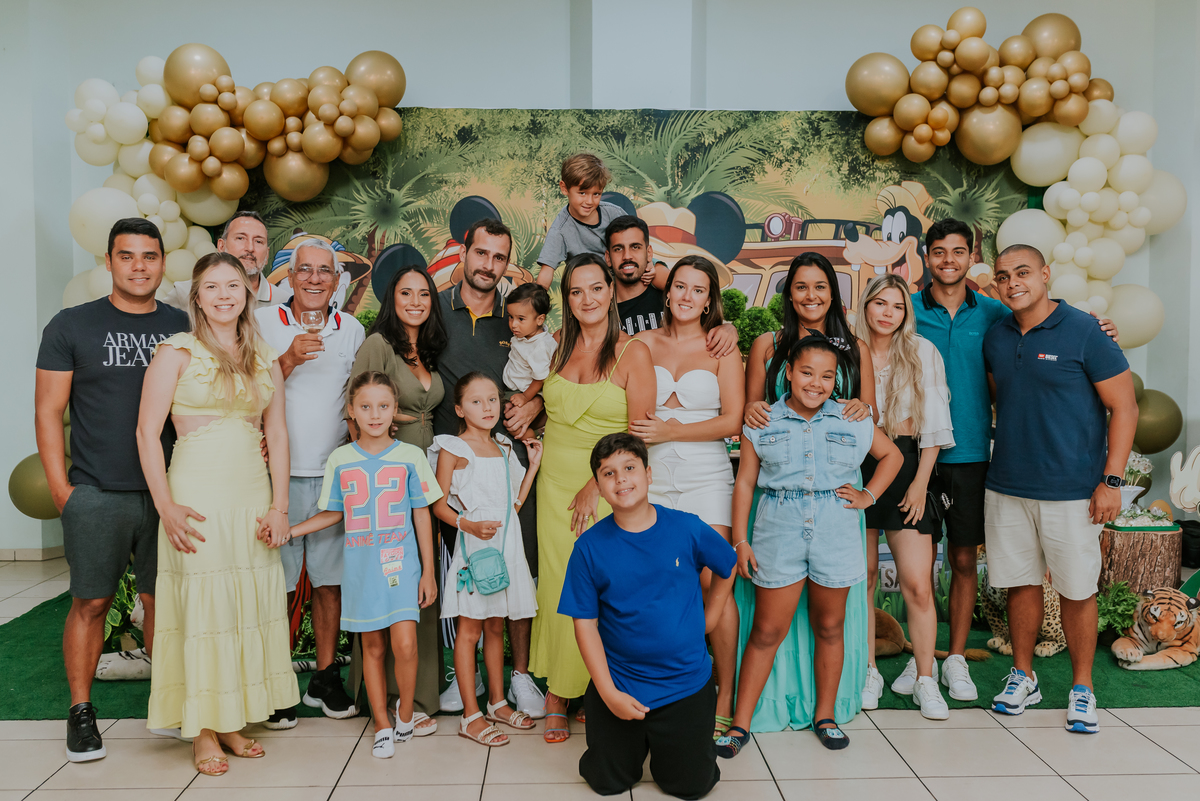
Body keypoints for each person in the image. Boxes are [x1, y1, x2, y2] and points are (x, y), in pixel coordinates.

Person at [911, 219, 1120, 703]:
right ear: (926, 257)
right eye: (938, 251)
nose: (948, 260)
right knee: (938, 571)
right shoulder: (917, 313)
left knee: (976, 562)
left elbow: (1117, 400)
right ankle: (951, 669)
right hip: (934, 460)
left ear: (971, 258)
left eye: (958, 251)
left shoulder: (997, 313)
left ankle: (968, 662)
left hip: (984, 459)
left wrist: (1099, 329)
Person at [137, 252, 297, 776]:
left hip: (251, 495)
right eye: (213, 286)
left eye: (234, 284)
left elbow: (276, 432)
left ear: (248, 291)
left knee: (241, 608)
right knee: (203, 608)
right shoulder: (175, 353)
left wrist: (279, 505)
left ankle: (230, 719)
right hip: (197, 493)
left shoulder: (264, 355)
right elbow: (146, 433)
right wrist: (166, 505)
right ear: (197, 296)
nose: (225, 294)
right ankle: (202, 729)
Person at [35, 218, 189, 762]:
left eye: (149, 256)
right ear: (109, 262)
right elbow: (48, 412)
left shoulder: (180, 325)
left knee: (162, 604)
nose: (139, 266)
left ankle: (168, 705)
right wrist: (62, 488)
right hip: (97, 490)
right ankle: (81, 713)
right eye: (128, 256)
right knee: (91, 601)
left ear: (162, 263)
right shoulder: (72, 325)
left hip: (168, 491)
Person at [722, 337, 902, 755]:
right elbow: (745, 482)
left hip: (835, 531)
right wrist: (740, 540)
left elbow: (891, 456)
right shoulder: (762, 420)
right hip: (778, 530)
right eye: (807, 372)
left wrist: (868, 496)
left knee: (830, 626)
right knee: (767, 631)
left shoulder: (851, 417)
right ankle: (740, 723)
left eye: (827, 375)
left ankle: (825, 715)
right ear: (788, 371)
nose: (816, 383)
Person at [984, 244, 1137, 733]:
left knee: (1076, 589)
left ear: (1046, 275)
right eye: (1003, 277)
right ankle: (1023, 676)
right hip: (1007, 484)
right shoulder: (996, 335)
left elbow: (1126, 408)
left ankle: (1082, 688)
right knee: (1020, 583)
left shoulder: (1086, 330)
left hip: (1072, 489)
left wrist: (1111, 481)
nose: (1012, 283)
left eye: (1023, 273)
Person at [737, 252, 875, 733]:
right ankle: (753, 713)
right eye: (801, 286)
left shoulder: (855, 347)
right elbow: (753, 410)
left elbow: (867, 418)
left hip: (833, 499)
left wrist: (858, 405)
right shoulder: (766, 344)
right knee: (769, 619)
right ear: (788, 293)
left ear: (833, 293)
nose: (811, 295)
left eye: (820, 286)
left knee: (828, 621)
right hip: (778, 497)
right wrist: (752, 412)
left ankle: (825, 710)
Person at [560, 433, 735, 798]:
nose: (621, 479)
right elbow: (585, 626)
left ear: (649, 474)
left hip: (685, 684)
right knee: (609, 782)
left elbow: (727, 564)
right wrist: (608, 694)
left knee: (690, 786)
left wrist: (712, 615)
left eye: (629, 468)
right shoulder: (588, 548)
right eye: (608, 474)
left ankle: (672, 746)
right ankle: (625, 741)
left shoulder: (686, 527)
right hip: (621, 682)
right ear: (599, 487)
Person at [531, 252, 656, 743]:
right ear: (567, 299)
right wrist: (528, 408)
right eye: (575, 291)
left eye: (595, 288)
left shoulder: (634, 353)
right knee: (559, 586)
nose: (587, 299)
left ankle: (595, 688)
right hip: (553, 483)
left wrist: (595, 483)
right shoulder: (558, 346)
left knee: (604, 590)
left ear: (610, 291)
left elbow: (638, 434)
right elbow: (551, 404)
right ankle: (559, 692)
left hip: (607, 485)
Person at [286, 371, 442, 758]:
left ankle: (405, 712)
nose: (375, 414)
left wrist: (428, 571)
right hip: (360, 569)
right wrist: (293, 530)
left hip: (401, 566)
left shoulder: (411, 457)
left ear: (395, 411)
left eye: (384, 406)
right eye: (366, 407)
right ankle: (382, 724)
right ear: (351, 412)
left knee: (404, 644)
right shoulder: (341, 459)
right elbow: (332, 513)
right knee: (371, 646)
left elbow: (422, 514)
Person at [435, 218, 546, 719]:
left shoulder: (519, 314)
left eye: (499, 258)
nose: (489, 266)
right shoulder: (434, 310)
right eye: (482, 254)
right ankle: (470, 676)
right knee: (466, 573)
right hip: (455, 466)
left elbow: (548, 374)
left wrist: (534, 408)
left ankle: (519, 675)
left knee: (514, 562)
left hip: (510, 461)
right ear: (465, 252)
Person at [631, 255, 744, 739]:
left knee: (711, 578)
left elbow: (733, 421)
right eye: (680, 286)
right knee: (658, 582)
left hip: (706, 475)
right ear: (668, 289)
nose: (687, 296)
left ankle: (726, 694)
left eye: (699, 290)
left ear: (709, 299)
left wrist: (676, 427)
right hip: (653, 477)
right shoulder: (640, 344)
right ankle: (671, 688)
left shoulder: (723, 348)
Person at [255, 238, 364, 729]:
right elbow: (246, 391)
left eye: (326, 271)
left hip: (330, 476)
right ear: (290, 277)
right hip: (272, 476)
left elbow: (357, 400)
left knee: (329, 584)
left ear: (338, 281)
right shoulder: (262, 324)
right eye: (306, 270)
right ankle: (277, 682)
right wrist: (289, 359)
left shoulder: (353, 330)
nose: (316, 279)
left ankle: (324, 677)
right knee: (275, 585)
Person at [348, 263, 447, 732]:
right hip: (386, 484)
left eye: (423, 294)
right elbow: (355, 410)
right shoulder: (378, 345)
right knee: (384, 585)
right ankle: (383, 700)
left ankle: (419, 694)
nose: (415, 301)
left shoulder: (424, 351)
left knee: (418, 586)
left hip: (424, 479)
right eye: (406, 293)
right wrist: (392, 432)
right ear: (392, 299)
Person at [854, 274, 954, 718]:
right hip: (853, 465)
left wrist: (919, 483)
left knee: (917, 583)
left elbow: (934, 424)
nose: (887, 313)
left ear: (905, 312)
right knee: (863, 580)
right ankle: (867, 670)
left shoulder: (921, 351)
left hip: (907, 464)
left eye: (896, 305)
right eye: (879, 303)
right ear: (866, 306)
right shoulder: (848, 349)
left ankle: (926, 678)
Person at [430, 373, 543, 746]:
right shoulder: (452, 448)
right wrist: (469, 525)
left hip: (505, 548)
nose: (487, 407)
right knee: (470, 631)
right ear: (460, 409)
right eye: (476, 402)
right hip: (475, 549)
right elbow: (438, 503)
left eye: (493, 399)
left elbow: (513, 503)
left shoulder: (504, 447)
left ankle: (497, 702)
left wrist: (535, 465)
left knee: (496, 625)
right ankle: (470, 714)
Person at [535, 153, 628, 289]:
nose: (589, 201)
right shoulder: (560, 230)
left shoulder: (614, 213)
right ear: (564, 188)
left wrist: (649, 265)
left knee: (656, 268)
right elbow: (546, 271)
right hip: (588, 288)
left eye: (596, 194)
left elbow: (637, 241)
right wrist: (537, 303)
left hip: (621, 281)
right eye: (582, 193)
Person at [163, 211, 277, 310]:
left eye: (258, 241)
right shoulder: (185, 293)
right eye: (240, 238)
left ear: (267, 254)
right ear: (221, 246)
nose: (250, 248)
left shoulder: (283, 301)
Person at [503, 282, 558, 413]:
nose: (513, 324)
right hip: (513, 388)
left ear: (539, 320)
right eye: (511, 317)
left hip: (523, 391)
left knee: (511, 421)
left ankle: (531, 434)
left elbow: (540, 379)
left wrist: (525, 397)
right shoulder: (529, 333)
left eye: (521, 319)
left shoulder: (539, 348)